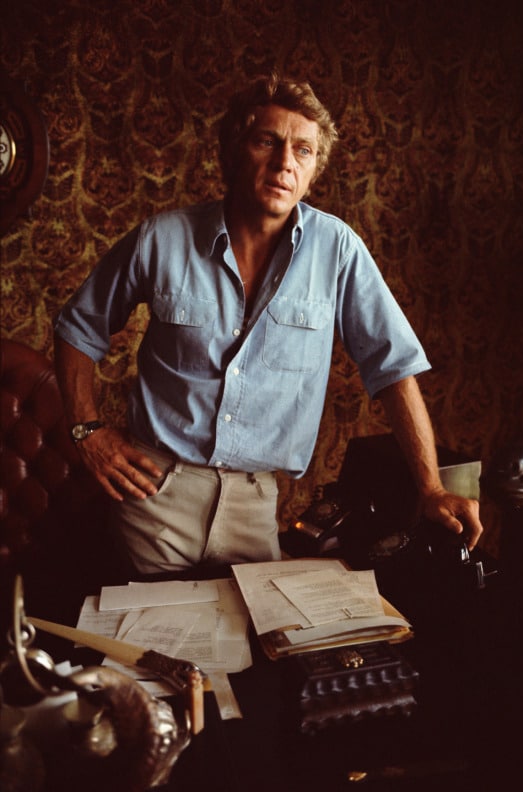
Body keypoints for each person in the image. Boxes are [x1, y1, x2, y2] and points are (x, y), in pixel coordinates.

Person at [54, 73, 483, 576]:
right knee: (149, 627)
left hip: (255, 505)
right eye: (267, 141)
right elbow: (77, 328)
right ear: (234, 151)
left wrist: (430, 489)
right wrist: (87, 432)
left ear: (313, 171)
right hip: (155, 495)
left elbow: (394, 369)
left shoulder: (339, 251)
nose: (285, 163)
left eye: (303, 150)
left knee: (254, 628)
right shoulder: (161, 239)